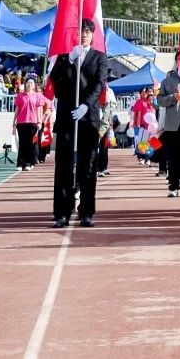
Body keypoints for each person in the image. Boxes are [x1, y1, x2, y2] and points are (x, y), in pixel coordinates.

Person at [49, 19, 109, 229]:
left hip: (88, 118)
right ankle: (62, 213)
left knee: (88, 167)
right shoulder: (64, 57)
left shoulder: (99, 57)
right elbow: (56, 83)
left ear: (92, 35)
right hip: (67, 117)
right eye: (80, 31)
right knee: (63, 167)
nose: (83, 35)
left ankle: (86, 212)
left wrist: (86, 105)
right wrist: (69, 60)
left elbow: (99, 84)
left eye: (87, 32)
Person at [157, 68, 180, 198]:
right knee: (174, 158)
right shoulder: (167, 82)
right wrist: (172, 97)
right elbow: (159, 100)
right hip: (172, 126)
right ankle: (174, 185)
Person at [12, 78, 47, 170]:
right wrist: (14, 121)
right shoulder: (20, 95)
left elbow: (39, 110)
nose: (30, 84)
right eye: (28, 83)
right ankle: (20, 164)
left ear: (34, 85)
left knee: (31, 144)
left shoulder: (37, 96)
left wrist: (39, 122)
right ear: (25, 84)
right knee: (22, 143)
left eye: (31, 83)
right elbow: (17, 109)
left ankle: (29, 163)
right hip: (21, 122)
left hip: (33, 122)